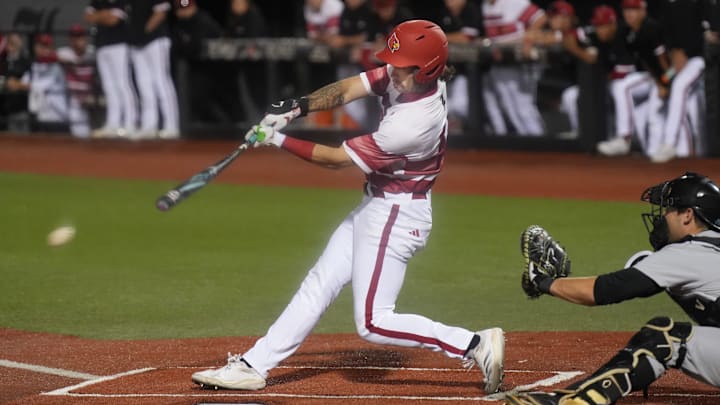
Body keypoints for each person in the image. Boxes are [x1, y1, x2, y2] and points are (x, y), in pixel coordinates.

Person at [191, 20, 505, 394]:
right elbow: (350, 87)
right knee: (319, 282)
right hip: (378, 206)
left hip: (396, 214)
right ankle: (253, 365)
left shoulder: (414, 121)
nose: (394, 70)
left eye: (402, 65)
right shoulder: (406, 74)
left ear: (427, 68)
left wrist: (277, 139)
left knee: (373, 322)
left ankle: (473, 344)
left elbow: (337, 159)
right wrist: (297, 107)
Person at [505, 171, 720, 405]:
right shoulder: (707, 249)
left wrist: (545, 282)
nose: (662, 217)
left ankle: (575, 402)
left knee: (664, 337)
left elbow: (605, 290)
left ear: (687, 215)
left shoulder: (688, 252)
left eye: (668, 210)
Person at [595, 0, 670, 157]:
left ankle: (625, 138)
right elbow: (646, 61)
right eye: (626, 10)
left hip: (665, 77)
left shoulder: (650, 28)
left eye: (634, 10)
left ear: (643, 11)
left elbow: (664, 61)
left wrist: (666, 83)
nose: (629, 14)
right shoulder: (631, 32)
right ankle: (652, 152)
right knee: (644, 116)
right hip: (653, 78)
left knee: (622, 87)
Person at [645, 0, 707, 163]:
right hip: (675, 63)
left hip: (697, 60)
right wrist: (674, 53)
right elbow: (666, 33)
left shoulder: (699, 3)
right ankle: (654, 145)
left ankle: (670, 142)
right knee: (661, 85)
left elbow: (702, 32)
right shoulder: (668, 4)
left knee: (679, 86)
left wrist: (685, 53)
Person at [481, 0, 547, 136]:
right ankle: (526, 140)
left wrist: (529, 38)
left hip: (522, 61)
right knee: (509, 105)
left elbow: (540, 17)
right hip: (503, 61)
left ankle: (539, 140)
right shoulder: (485, 6)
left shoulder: (513, 2)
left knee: (524, 105)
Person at [85, 0, 138, 138]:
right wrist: (105, 14)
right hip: (102, 45)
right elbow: (88, 17)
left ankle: (130, 123)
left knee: (123, 84)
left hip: (119, 45)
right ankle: (112, 123)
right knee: (108, 86)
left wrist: (99, 15)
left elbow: (114, 21)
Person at [128, 0, 179, 140]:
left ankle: (171, 126)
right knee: (144, 84)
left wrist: (144, 32)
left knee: (161, 81)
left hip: (155, 39)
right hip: (137, 43)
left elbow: (161, 13)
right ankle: (149, 125)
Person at [436, 0, 484, 134]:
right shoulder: (446, 13)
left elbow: (467, 38)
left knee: (460, 107)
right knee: (446, 108)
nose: (448, 3)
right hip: (450, 70)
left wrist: (440, 36)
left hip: (473, 71)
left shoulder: (471, 9)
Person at [20, 34, 69, 132]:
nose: (43, 49)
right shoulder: (34, 65)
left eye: (46, 46)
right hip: (40, 117)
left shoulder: (57, 67)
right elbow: (22, 82)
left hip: (58, 117)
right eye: (40, 46)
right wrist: (17, 84)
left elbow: (40, 86)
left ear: (51, 48)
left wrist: (18, 85)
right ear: (35, 47)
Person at [57, 24, 97, 138]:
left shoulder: (92, 52)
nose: (76, 40)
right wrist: (69, 62)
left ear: (85, 38)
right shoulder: (64, 52)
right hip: (74, 98)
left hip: (91, 97)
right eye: (73, 37)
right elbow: (47, 56)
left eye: (79, 36)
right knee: (79, 132)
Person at [1, 32, 31, 132]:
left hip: (22, 109)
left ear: (21, 43)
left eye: (16, 42)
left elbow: (31, 85)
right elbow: (4, 83)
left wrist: (17, 85)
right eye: (10, 42)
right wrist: (6, 83)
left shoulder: (26, 62)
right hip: (4, 111)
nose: (13, 46)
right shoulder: (2, 63)